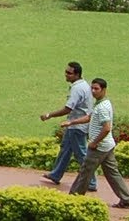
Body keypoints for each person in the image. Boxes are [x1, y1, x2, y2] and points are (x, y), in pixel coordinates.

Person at [63, 77, 129, 210]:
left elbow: (107, 127)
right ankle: (126, 199)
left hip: (99, 147)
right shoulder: (102, 104)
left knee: (85, 171)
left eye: (96, 89)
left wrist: (95, 142)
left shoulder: (102, 107)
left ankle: (74, 198)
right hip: (107, 146)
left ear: (104, 90)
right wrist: (72, 122)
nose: (93, 91)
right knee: (112, 173)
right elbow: (90, 117)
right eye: (92, 88)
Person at [40, 61, 95, 191]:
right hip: (76, 125)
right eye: (66, 72)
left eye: (69, 73)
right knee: (65, 150)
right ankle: (56, 174)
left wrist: (49, 115)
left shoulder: (77, 89)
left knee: (81, 154)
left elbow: (67, 109)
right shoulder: (83, 84)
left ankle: (91, 182)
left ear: (77, 74)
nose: (66, 75)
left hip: (77, 126)